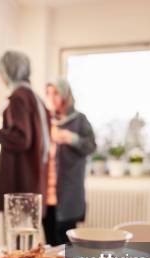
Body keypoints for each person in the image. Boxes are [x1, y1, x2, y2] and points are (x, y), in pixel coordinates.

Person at [0, 50, 50, 213]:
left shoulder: (19, 97)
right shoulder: (34, 97)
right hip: (32, 179)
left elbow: (21, 138)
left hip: (20, 180)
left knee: (17, 234)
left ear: (8, 71)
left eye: (1, 72)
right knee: (26, 233)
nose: (0, 77)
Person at [43, 78, 96, 245]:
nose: (52, 98)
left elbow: (91, 146)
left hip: (68, 194)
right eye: (49, 93)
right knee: (50, 244)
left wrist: (72, 139)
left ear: (66, 95)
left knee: (66, 245)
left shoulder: (80, 120)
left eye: (56, 93)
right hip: (47, 194)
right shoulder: (47, 121)